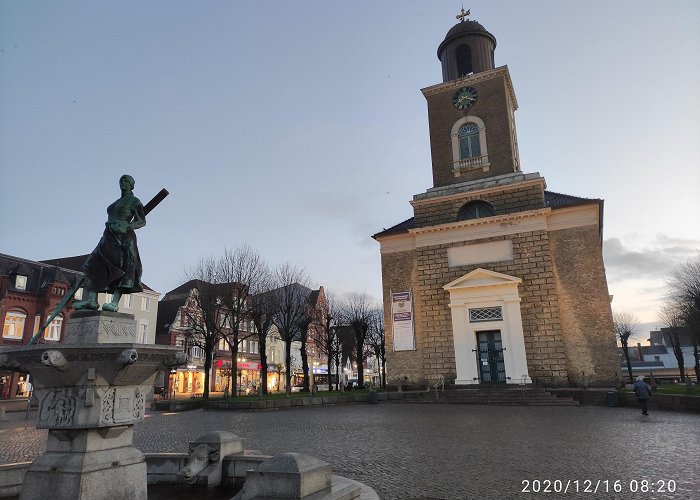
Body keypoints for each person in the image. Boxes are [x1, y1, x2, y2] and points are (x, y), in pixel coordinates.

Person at [73, 175, 146, 312]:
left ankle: (114, 302)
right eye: (121, 181)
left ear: (132, 185)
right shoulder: (117, 202)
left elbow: (142, 221)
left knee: (122, 267)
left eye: (126, 181)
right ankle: (92, 300)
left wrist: (127, 227)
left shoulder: (134, 201)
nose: (123, 183)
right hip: (108, 236)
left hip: (124, 238)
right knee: (92, 263)